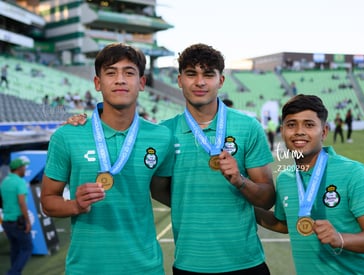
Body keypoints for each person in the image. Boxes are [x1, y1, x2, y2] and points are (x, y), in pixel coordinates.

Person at [65, 43, 276, 274]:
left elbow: (266, 199)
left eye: (208, 74)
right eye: (191, 74)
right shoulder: (163, 133)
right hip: (189, 263)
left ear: (221, 81)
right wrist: (84, 123)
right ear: (179, 80)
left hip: (246, 262)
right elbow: (158, 189)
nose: (200, 82)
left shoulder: (248, 127)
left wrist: (239, 180)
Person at [40, 43, 175, 274]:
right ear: (97, 83)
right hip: (87, 268)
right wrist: (75, 205)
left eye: (129, 72)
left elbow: (166, 192)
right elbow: (48, 200)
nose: (120, 79)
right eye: (111, 72)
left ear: (142, 83)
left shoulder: (161, 136)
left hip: (145, 268)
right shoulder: (68, 135)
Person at [255, 94, 364, 274]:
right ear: (283, 131)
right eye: (291, 125)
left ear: (324, 131)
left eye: (309, 125)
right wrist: (245, 207)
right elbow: (285, 224)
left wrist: (339, 238)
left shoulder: (354, 173)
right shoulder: (286, 178)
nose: (299, 131)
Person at [1, 156, 33, 275]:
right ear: (19, 169)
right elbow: (21, 202)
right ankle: (13, 273)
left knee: (15, 248)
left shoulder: (4, 182)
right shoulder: (20, 182)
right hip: (18, 222)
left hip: (6, 221)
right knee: (27, 248)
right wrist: (28, 222)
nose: (25, 169)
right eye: (24, 167)